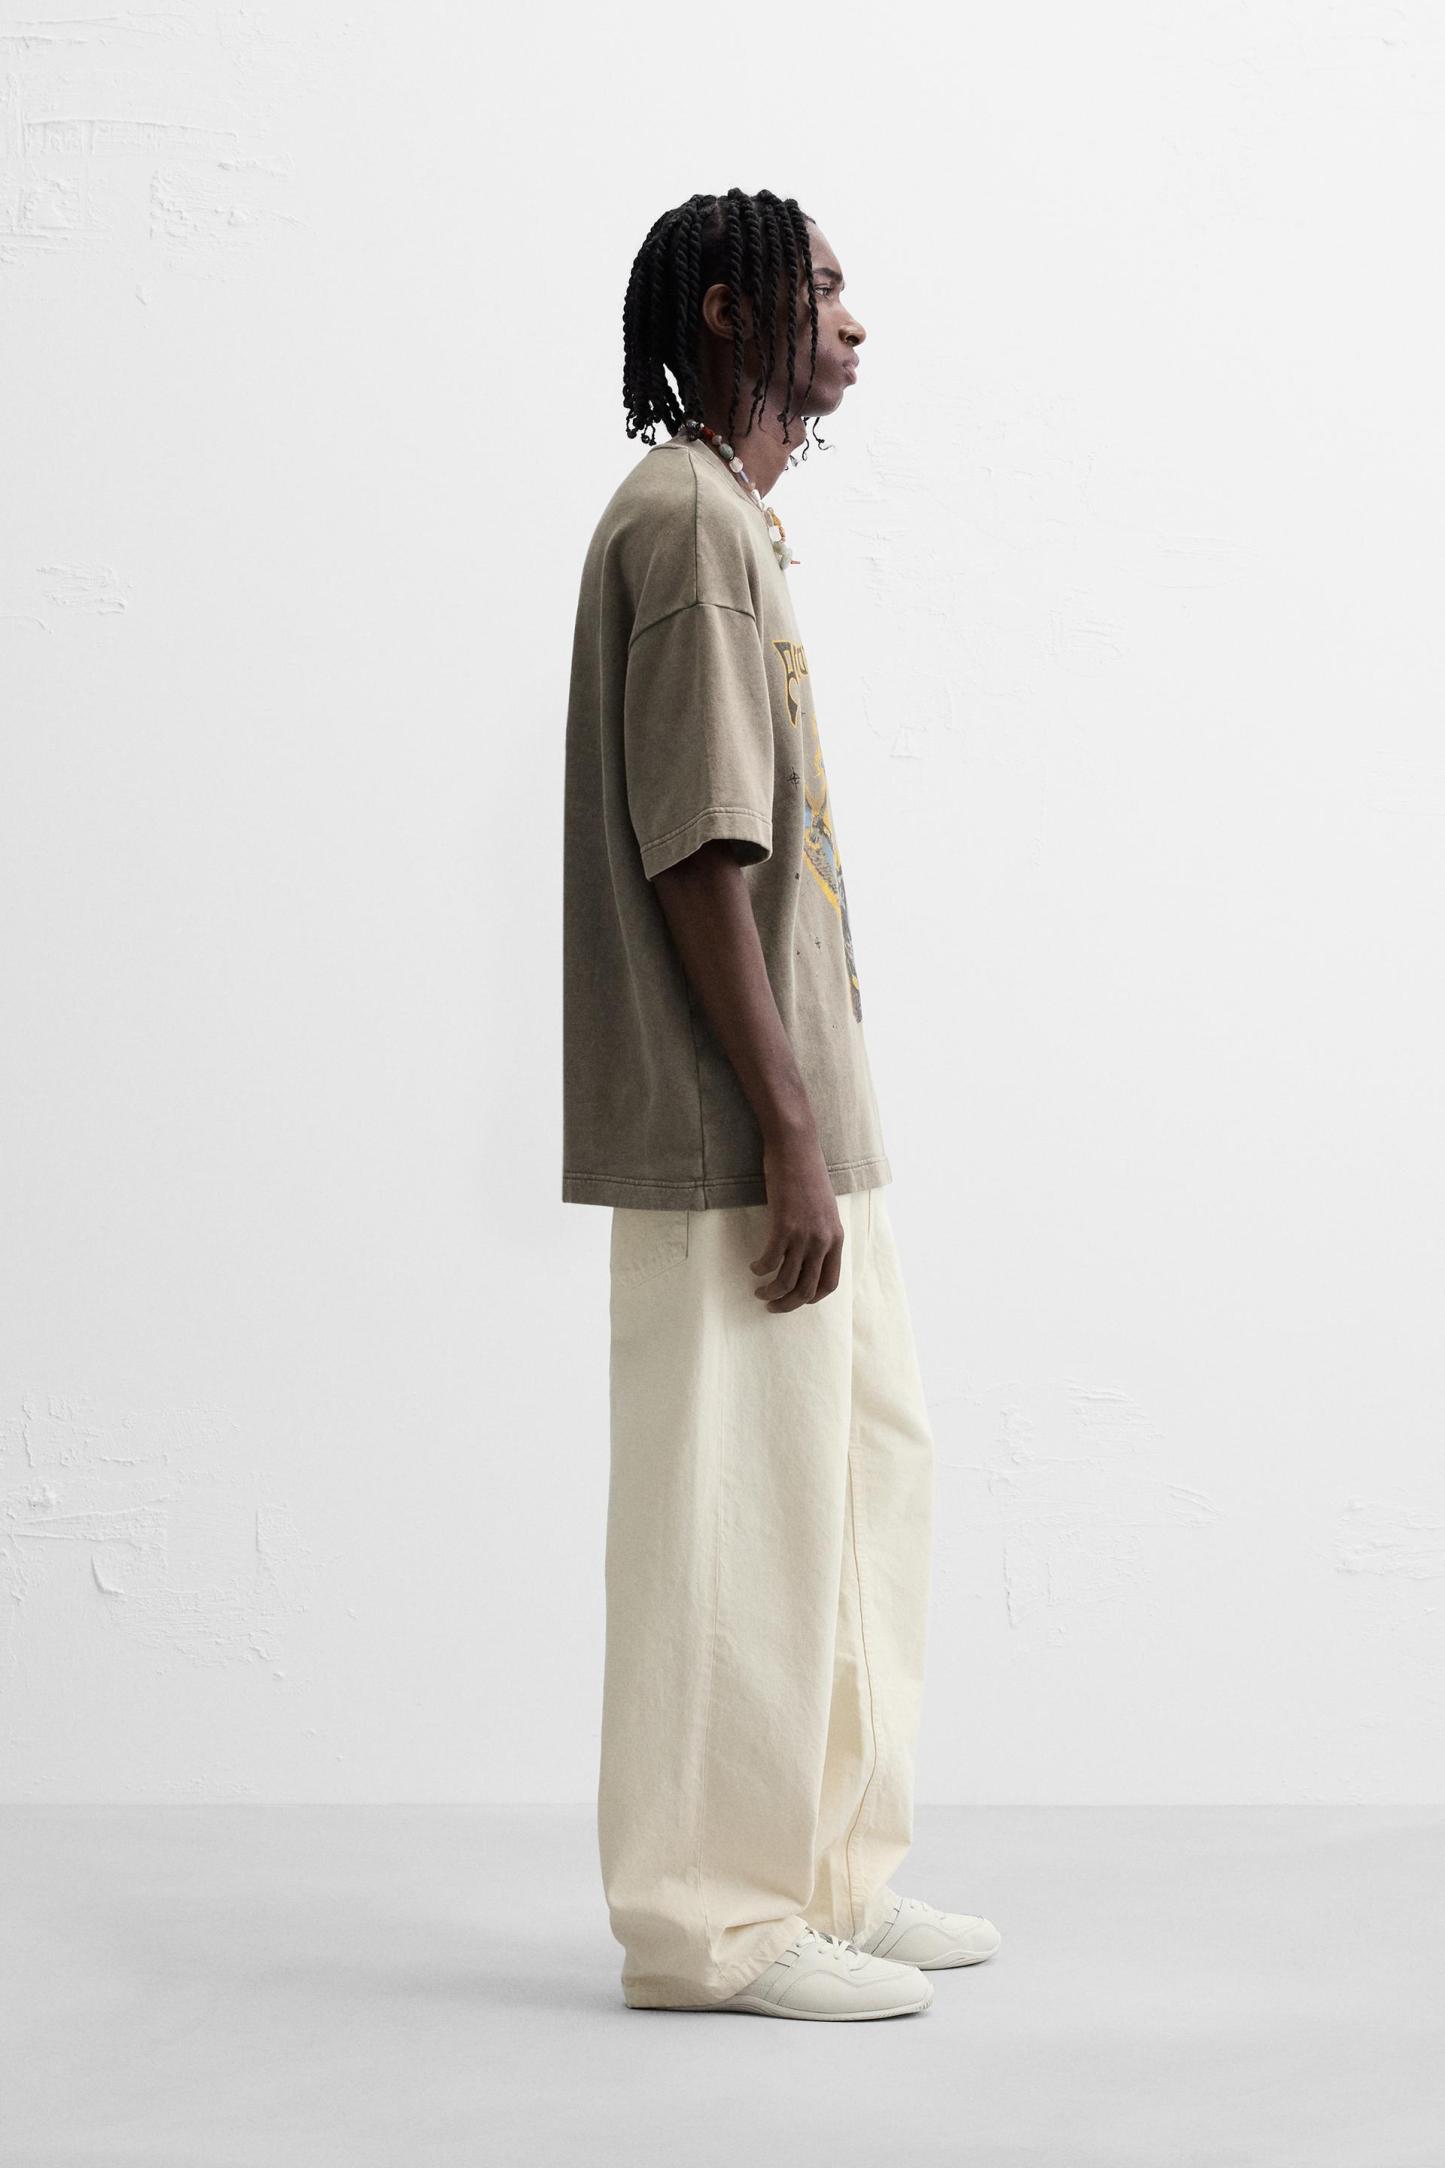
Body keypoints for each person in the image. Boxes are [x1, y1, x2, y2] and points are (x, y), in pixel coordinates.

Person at [561, 187, 1001, 2020]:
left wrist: (827, 1126)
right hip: (734, 1132)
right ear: (729, 311)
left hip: (810, 1116)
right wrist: (786, 1137)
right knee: (730, 1528)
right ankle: (708, 1927)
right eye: (820, 288)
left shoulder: (737, 525)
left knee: (859, 1484)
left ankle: (829, 1874)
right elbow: (697, 848)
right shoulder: (684, 522)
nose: (853, 320)